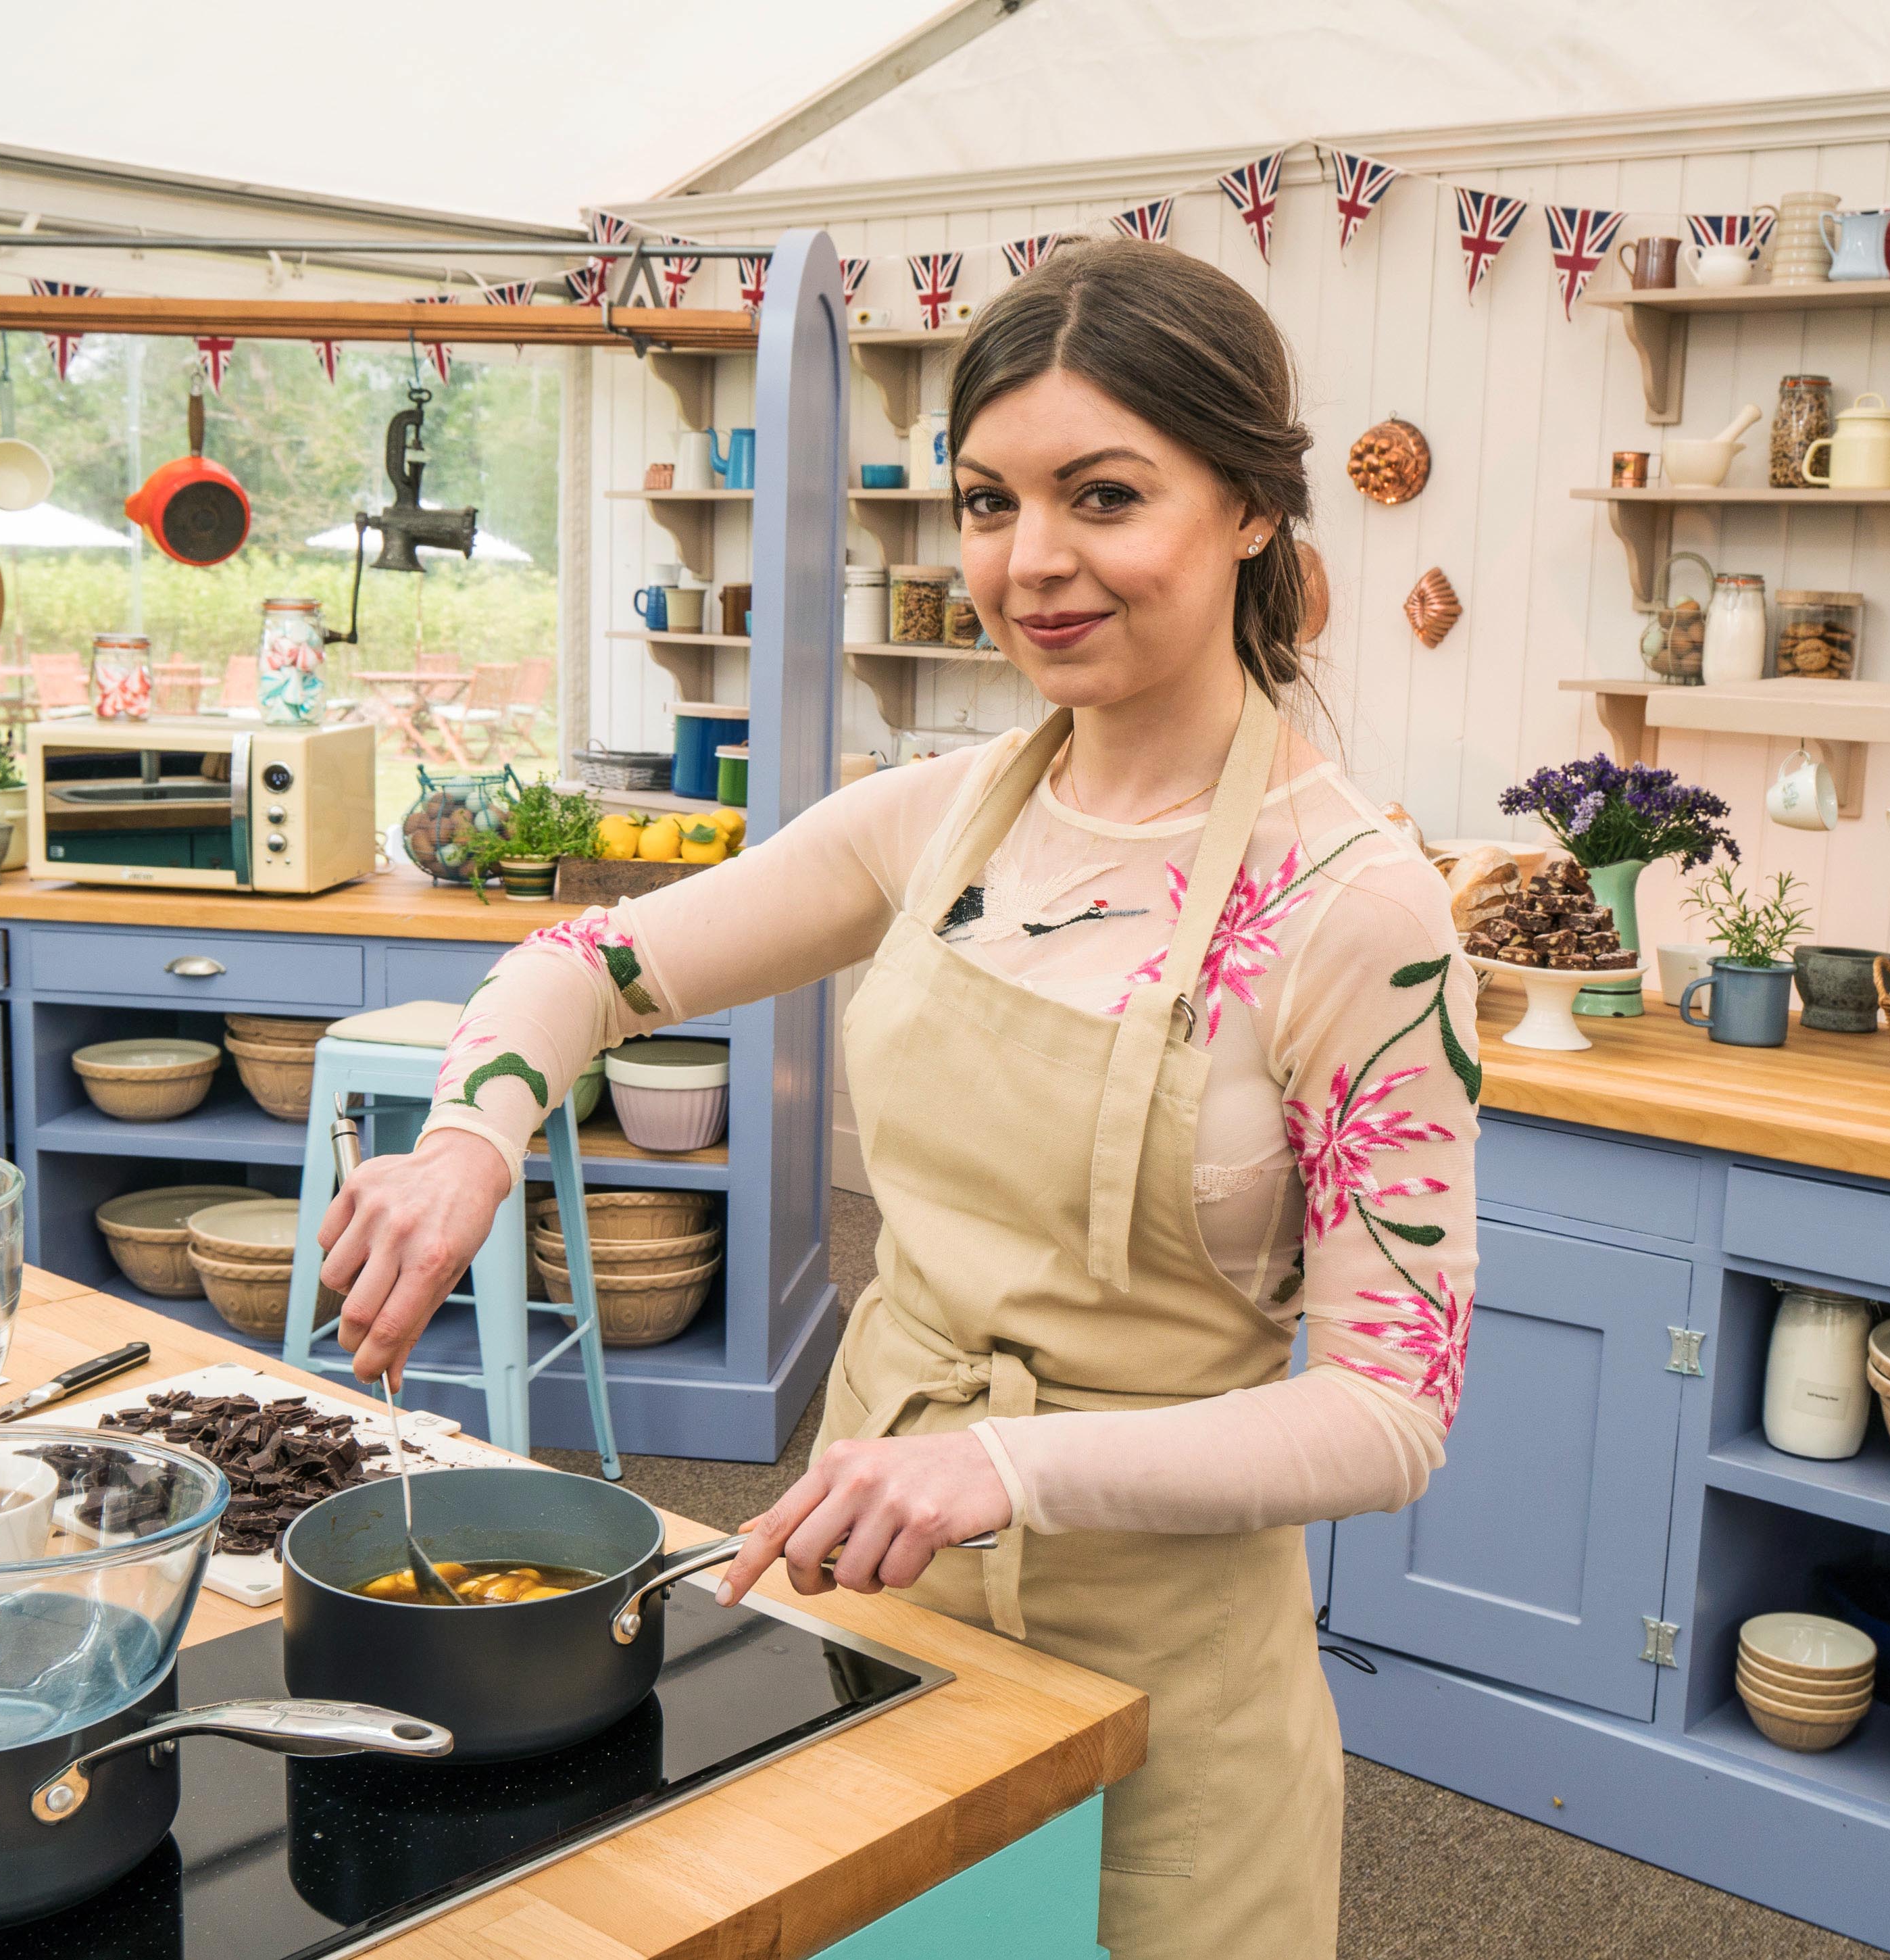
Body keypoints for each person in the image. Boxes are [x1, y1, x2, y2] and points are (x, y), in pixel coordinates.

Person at [320, 237, 1478, 1959]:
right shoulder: (938, 821)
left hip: (1171, 1681)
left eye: (1103, 495)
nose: (1034, 564)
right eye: (990, 502)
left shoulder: (1361, 913)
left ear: (1248, 506)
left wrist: (1008, 1463)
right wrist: (465, 1146)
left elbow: (1391, 1414)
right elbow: (584, 963)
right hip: (876, 1608)